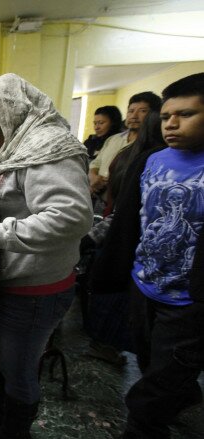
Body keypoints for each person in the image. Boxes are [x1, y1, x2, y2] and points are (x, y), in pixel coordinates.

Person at [0, 73, 93, 437]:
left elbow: (71, 217)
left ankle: (14, 429)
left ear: (2, 115)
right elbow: (9, 190)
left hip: (37, 285)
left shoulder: (49, 148)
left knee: (18, 367)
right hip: (11, 276)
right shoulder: (15, 146)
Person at [91, 73, 204, 439]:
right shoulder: (151, 161)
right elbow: (127, 220)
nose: (171, 123)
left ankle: (145, 425)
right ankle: (181, 392)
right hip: (144, 284)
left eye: (185, 114)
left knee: (152, 391)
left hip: (188, 299)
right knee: (151, 362)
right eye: (167, 115)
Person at [82, 111, 166, 366]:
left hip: (121, 237)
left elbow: (120, 213)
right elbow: (122, 212)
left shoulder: (143, 159)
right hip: (121, 235)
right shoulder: (140, 159)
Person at [89, 92, 161, 200]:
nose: (134, 116)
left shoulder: (152, 146)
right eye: (131, 111)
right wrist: (93, 177)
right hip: (98, 198)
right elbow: (96, 163)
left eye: (142, 111)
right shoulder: (113, 139)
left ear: (154, 115)